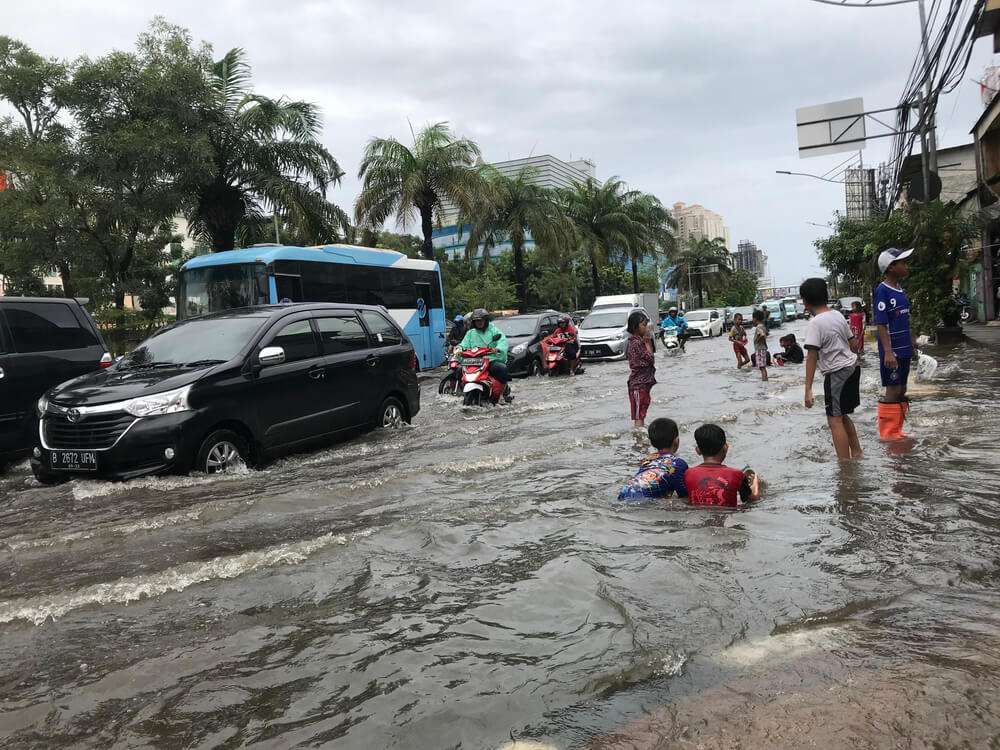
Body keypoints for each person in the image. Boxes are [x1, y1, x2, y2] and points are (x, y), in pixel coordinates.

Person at [800, 277, 862, 460]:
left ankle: (844, 465)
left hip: (837, 375)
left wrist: (808, 389)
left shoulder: (815, 323)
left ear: (805, 301)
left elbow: (812, 357)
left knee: (834, 420)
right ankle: (857, 452)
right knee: (841, 415)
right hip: (853, 368)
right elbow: (854, 345)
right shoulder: (837, 315)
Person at [874, 247, 916, 439]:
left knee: (903, 388)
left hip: (905, 347)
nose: (906, 266)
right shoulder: (882, 291)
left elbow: (906, 318)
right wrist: (888, 352)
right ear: (891, 267)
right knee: (893, 388)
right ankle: (888, 434)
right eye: (902, 263)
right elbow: (881, 324)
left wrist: (913, 340)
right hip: (893, 351)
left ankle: (898, 430)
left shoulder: (901, 290)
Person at [684, 423, 762, 507]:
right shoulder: (737, 474)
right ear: (725, 447)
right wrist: (756, 485)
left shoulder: (688, 473)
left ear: (698, 450)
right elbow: (750, 500)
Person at [617, 418, 689, 502]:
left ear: (651, 442)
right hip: (643, 501)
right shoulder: (678, 464)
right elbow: (683, 495)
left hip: (624, 492)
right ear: (676, 441)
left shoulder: (648, 459)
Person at [459, 308, 511, 399]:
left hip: (490, 359)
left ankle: (503, 391)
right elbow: (463, 344)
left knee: (501, 369)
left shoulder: (494, 330)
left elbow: (503, 341)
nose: (479, 322)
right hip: (474, 361)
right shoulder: (470, 333)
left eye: (481, 320)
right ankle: (459, 391)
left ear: (486, 320)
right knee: (458, 369)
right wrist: (458, 349)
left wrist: (497, 349)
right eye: (476, 321)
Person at [626, 310, 656, 429]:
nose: (646, 328)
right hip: (638, 385)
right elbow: (650, 358)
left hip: (643, 384)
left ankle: (641, 442)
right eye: (643, 325)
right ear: (635, 327)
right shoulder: (636, 343)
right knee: (639, 416)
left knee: (641, 414)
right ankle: (638, 443)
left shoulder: (638, 341)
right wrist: (648, 342)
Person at [751, 309, 769, 381]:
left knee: (762, 367)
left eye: (752, 318)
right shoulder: (763, 326)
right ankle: (765, 380)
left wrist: (757, 340)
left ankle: (764, 380)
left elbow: (762, 334)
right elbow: (766, 333)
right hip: (763, 348)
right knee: (763, 367)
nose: (752, 320)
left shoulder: (758, 327)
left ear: (755, 319)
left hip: (760, 349)